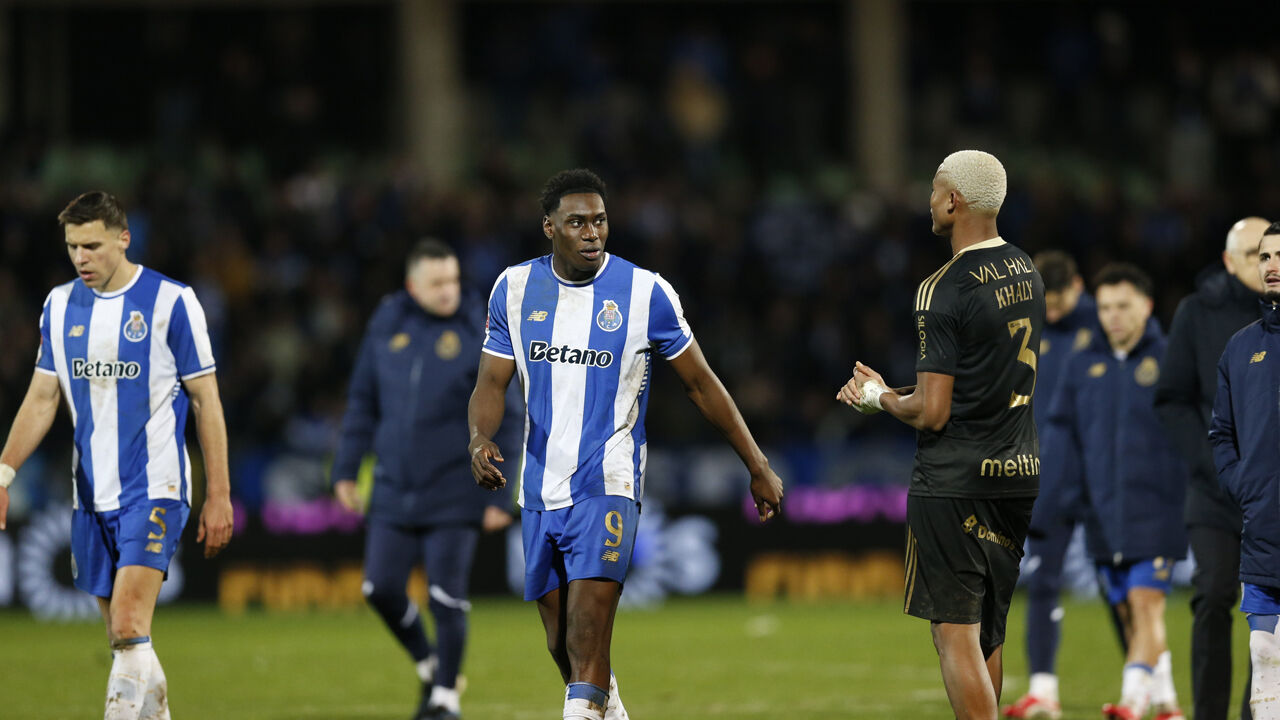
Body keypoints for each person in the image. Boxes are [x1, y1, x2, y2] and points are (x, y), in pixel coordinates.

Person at [467, 168, 784, 720]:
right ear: (550, 228)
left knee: (587, 643)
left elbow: (701, 383)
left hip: (607, 482)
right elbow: (490, 383)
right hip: (540, 486)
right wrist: (477, 438)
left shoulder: (645, 294)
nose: (592, 233)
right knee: (561, 645)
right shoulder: (513, 289)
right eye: (577, 223)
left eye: (600, 220)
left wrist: (757, 464)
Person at [0, 191, 234, 720]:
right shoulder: (59, 306)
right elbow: (42, 398)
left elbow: (207, 401)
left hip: (155, 487)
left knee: (129, 624)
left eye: (92, 245)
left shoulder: (173, 302)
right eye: (72, 247)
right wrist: (3, 472)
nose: (81, 257)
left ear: (124, 238)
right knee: (126, 641)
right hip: (90, 494)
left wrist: (219, 494)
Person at [838, 149, 1044, 720]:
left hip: (955, 480)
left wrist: (879, 398)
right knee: (988, 636)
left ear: (953, 200)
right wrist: (904, 392)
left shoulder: (943, 287)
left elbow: (933, 414)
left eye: (934, 190)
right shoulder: (1026, 268)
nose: (929, 201)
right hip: (1018, 473)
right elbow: (977, 380)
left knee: (955, 635)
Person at [331, 239, 520, 720]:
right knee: (379, 589)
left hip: (456, 487)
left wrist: (506, 487)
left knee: (445, 595)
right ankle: (429, 661)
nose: (448, 290)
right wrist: (346, 469)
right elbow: (361, 402)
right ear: (412, 286)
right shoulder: (386, 324)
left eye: (453, 280)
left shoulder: (481, 329)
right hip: (393, 485)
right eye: (437, 282)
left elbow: (511, 414)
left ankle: (445, 699)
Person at [1045, 263, 1187, 720]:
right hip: (1103, 513)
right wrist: (1063, 497)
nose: (1113, 316)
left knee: (1146, 606)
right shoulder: (1083, 365)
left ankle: (1132, 702)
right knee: (1129, 612)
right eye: (1105, 307)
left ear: (1146, 306)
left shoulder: (1171, 361)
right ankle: (1167, 704)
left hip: (1159, 510)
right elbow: (1062, 436)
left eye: (1123, 306)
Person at [1156, 217, 1270, 720]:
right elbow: (1173, 398)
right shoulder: (1198, 314)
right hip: (1214, 489)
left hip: (1271, 492)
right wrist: (1218, 468)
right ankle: (1208, 712)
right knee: (1214, 595)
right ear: (1229, 260)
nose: (1266, 265)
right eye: (1256, 255)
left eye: (1272, 254)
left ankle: (1257, 711)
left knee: (1268, 612)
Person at [1003, 251, 1102, 720]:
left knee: (1128, 589)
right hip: (1052, 478)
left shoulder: (1108, 322)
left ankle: (1151, 686)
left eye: (1059, 302)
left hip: (1102, 479)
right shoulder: (1028, 328)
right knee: (1042, 583)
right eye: (1048, 302)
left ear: (1078, 287)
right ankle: (1043, 692)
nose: (1054, 311)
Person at [1209, 221, 1280, 720]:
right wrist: (1245, 486)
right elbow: (1220, 434)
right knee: (1263, 654)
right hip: (1264, 526)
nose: (1272, 265)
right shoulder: (1240, 348)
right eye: (1265, 256)